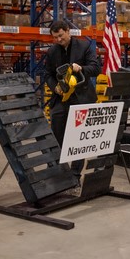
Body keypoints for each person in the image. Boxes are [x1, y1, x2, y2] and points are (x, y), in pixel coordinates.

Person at [44, 20, 100, 177]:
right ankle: (58, 171)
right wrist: (54, 86)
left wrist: (80, 68)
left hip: (81, 98)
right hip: (61, 98)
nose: (58, 40)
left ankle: (75, 174)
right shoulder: (52, 51)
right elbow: (47, 73)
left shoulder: (84, 46)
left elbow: (96, 68)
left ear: (68, 31)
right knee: (57, 134)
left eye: (61, 36)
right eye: (55, 37)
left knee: (78, 139)